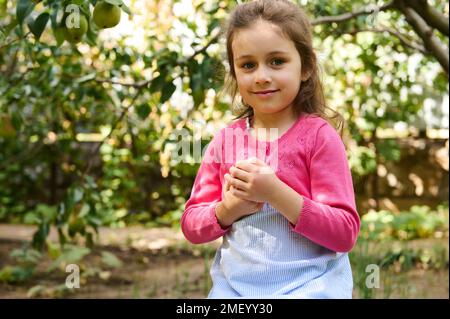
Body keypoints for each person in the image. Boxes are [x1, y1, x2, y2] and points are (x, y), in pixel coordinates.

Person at [181, 0, 360, 298]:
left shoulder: (319, 137)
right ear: (235, 73)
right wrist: (227, 210)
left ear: (306, 67)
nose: (262, 76)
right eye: (248, 65)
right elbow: (191, 224)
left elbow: (344, 233)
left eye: (277, 61)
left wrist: (275, 193)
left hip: (310, 288)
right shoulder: (226, 141)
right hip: (236, 291)